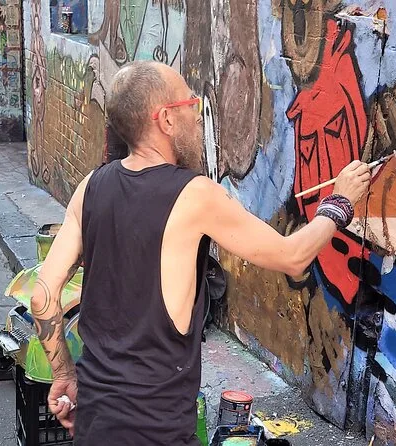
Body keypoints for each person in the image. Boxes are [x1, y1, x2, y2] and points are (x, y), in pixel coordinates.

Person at [29, 60, 371, 445]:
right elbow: (292, 256)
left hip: (94, 421)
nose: (197, 116)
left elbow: (42, 296)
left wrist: (64, 374)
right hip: (155, 430)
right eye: (190, 103)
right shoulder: (194, 195)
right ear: (166, 119)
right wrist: (339, 202)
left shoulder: (91, 186)